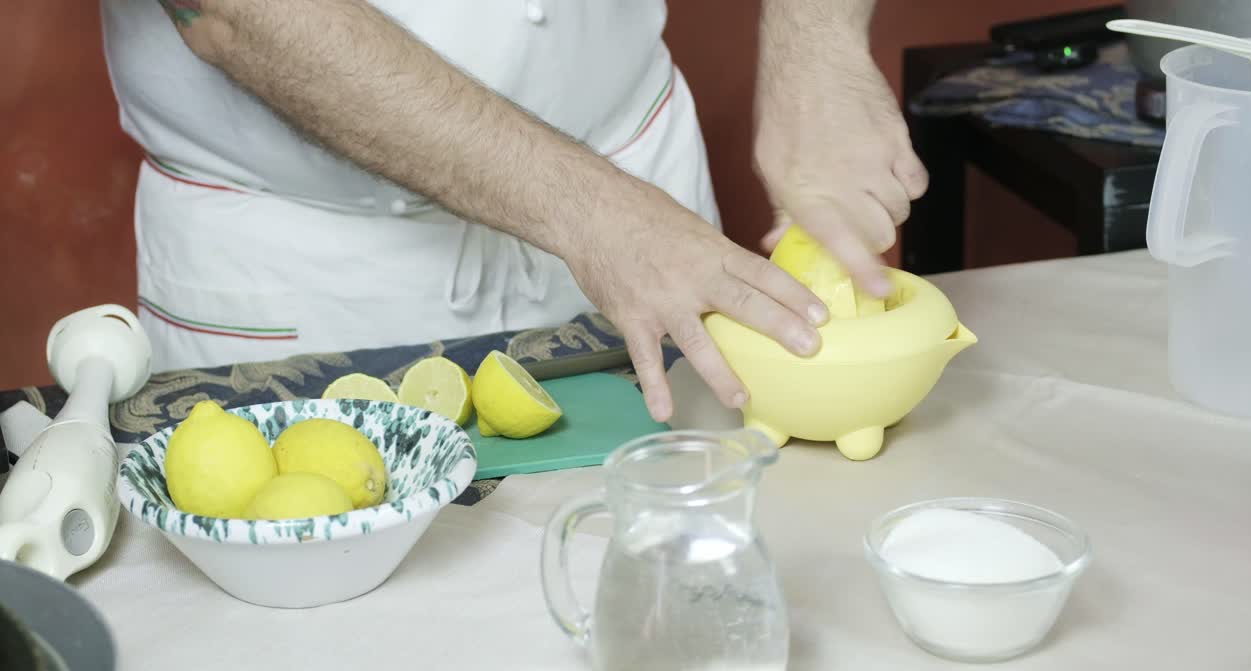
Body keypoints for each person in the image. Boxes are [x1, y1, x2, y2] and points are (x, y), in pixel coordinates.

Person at [99, 0, 927, 422]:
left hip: (643, 197)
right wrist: (596, 215)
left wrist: (815, 51)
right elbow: (237, 16)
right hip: (310, 270)